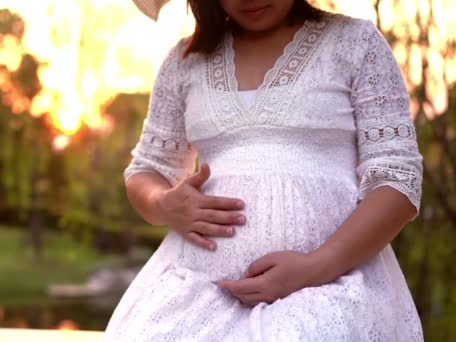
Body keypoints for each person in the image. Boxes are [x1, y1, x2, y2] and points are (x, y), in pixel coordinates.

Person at [104, 0, 424, 340]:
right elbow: (147, 170)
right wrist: (162, 203)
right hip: (193, 297)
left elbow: (397, 179)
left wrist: (318, 266)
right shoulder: (184, 62)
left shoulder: (355, 43)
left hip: (332, 291)